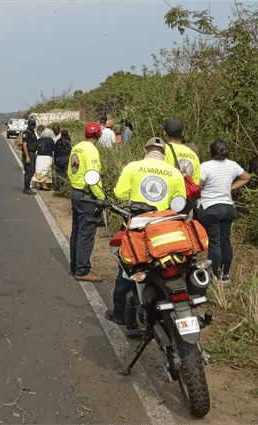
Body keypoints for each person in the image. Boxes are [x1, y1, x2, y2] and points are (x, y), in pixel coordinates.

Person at [105, 137, 186, 325]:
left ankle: (120, 314)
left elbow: (119, 193)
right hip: (163, 230)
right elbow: (179, 203)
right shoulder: (174, 173)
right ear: (163, 154)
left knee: (127, 269)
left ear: (145, 150)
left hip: (136, 228)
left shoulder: (133, 167)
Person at [198, 139, 250, 283]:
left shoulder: (206, 166)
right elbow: (246, 177)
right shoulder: (232, 165)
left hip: (210, 207)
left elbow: (198, 185)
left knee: (214, 242)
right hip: (228, 208)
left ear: (210, 151)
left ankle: (213, 275)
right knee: (225, 241)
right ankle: (225, 275)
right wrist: (230, 188)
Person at [67, 122, 105, 282]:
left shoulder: (76, 147)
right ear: (99, 135)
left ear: (85, 134)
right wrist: (101, 197)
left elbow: (70, 170)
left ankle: (74, 266)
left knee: (76, 231)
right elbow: (93, 177)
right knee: (86, 233)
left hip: (75, 192)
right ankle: (82, 270)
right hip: (87, 195)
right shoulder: (92, 151)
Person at [162, 118, 201, 184]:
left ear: (165, 134)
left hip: (170, 192)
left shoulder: (162, 150)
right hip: (187, 193)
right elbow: (196, 182)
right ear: (182, 134)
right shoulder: (193, 154)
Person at [21, 118, 39, 195]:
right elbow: (25, 145)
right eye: (31, 124)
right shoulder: (26, 133)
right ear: (29, 124)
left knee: (32, 171)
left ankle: (27, 187)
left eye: (34, 124)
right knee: (29, 171)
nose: (33, 126)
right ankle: (26, 188)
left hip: (33, 153)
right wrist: (27, 156)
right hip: (28, 154)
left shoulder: (33, 132)